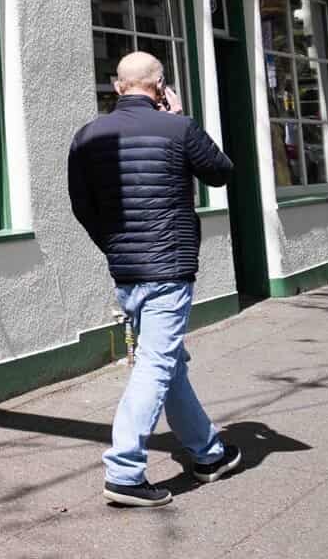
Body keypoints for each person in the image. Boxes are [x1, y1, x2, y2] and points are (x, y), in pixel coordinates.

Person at [68, 51, 242, 507]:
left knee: (168, 362)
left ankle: (208, 454)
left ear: (117, 86)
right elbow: (221, 172)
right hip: (168, 267)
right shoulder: (178, 129)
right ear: (161, 87)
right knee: (157, 365)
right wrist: (180, 118)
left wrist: (114, 246)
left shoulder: (86, 136)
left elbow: (82, 206)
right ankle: (124, 472)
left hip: (126, 268)